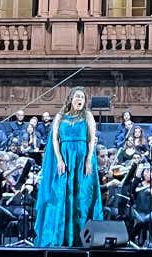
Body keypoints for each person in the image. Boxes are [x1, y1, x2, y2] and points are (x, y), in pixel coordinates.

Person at [34, 86, 103, 246]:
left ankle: (81, 238)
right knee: (60, 195)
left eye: (82, 98)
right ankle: (61, 236)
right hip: (64, 157)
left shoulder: (87, 116)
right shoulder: (60, 116)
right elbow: (54, 140)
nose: (80, 100)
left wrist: (88, 160)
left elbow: (92, 139)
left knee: (82, 196)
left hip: (82, 158)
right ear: (71, 99)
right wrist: (59, 159)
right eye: (77, 97)